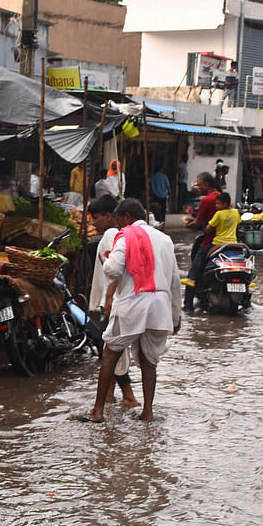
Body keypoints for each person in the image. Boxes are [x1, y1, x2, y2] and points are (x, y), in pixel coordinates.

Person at [82, 198, 181, 423]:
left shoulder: (125, 237)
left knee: (109, 354)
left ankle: (97, 412)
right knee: (149, 361)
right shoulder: (165, 240)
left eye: (119, 221)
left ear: (127, 217)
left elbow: (113, 270)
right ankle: (147, 412)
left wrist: (104, 260)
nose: (119, 226)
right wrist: (176, 316)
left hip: (132, 303)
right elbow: (175, 280)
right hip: (160, 306)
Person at [85, 197, 138, 408]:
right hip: (115, 300)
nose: (93, 223)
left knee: (111, 351)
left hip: (112, 301)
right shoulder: (122, 236)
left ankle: (129, 395)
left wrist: (108, 298)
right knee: (111, 350)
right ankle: (109, 395)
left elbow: (115, 271)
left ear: (110, 217)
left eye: (95, 218)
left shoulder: (112, 234)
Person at [181, 172, 220, 311]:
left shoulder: (206, 201)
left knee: (192, 274)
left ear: (206, 185)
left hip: (209, 242)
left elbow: (199, 224)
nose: (197, 187)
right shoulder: (222, 199)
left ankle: (188, 305)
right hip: (226, 242)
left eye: (199, 184)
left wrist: (188, 222)